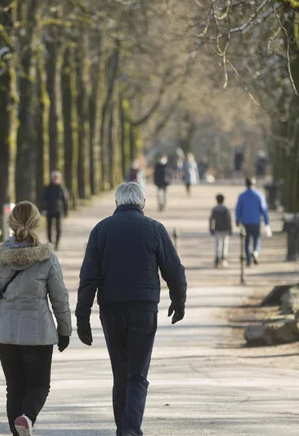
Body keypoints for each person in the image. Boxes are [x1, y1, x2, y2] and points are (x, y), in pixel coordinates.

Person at [76, 182, 187, 436]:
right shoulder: (154, 229)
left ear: (116, 203)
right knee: (137, 374)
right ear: (143, 203)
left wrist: (82, 317)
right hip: (143, 309)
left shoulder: (101, 230)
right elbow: (175, 271)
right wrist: (178, 302)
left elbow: (88, 277)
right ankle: (130, 430)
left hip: (112, 310)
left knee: (120, 373)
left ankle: (123, 429)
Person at [0, 201, 72, 436]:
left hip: (4, 333)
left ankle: (19, 430)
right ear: (37, 222)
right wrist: (65, 329)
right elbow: (60, 298)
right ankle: (27, 418)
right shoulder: (47, 258)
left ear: (11, 223)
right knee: (39, 386)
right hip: (38, 334)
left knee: (14, 388)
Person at [235, 177, 270, 266]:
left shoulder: (242, 196)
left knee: (246, 241)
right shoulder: (259, 195)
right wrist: (266, 222)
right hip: (256, 221)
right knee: (256, 239)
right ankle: (255, 251)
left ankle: (248, 259)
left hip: (245, 221)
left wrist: (237, 220)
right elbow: (264, 209)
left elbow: (238, 209)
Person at [40, 171, 69, 250]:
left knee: (58, 228)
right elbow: (43, 199)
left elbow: (65, 200)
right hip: (49, 210)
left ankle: (57, 244)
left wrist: (66, 211)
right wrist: (42, 209)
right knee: (49, 228)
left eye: (57, 178)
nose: (55, 179)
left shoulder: (62, 188)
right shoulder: (48, 188)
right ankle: (50, 242)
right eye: (54, 178)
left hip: (59, 211)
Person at [209, 194, 233, 267]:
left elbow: (211, 219)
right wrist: (230, 228)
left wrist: (211, 228)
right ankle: (223, 258)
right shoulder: (226, 209)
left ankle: (217, 258)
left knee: (217, 244)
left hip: (217, 228)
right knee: (225, 244)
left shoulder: (215, 209)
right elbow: (229, 220)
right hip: (225, 229)